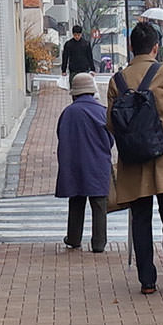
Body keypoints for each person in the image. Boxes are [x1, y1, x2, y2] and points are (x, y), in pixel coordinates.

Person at [106, 20, 163, 294]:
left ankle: (147, 280)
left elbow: (111, 122)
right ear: (155, 47)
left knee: (140, 217)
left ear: (132, 47)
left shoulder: (117, 80)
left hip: (132, 159)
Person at [55, 72, 111, 252]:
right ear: (92, 91)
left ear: (75, 93)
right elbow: (110, 139)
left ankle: (73, 237)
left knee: (76, 201)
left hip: (74, 163)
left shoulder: (68, 112)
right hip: (98, 163)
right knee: (99, 204)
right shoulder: (102, 111)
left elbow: (61, 135)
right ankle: (99, 243)